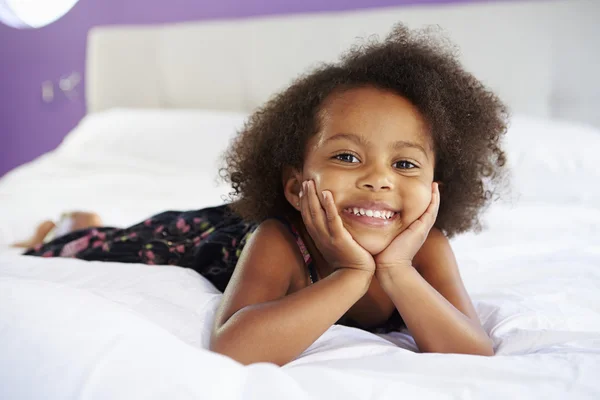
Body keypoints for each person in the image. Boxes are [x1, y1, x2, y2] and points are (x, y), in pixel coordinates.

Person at [19, 24, 508, 365]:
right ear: (297, 185)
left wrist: (396, 271)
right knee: (91, 245)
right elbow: (236, 349)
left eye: (404, 164)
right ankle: (72, 221)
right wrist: (355, 274)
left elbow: (474, 353)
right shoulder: (278, 240)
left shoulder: (428, 251)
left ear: (435, 192)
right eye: (346, 157)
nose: (379, 180)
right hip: (208, 237)